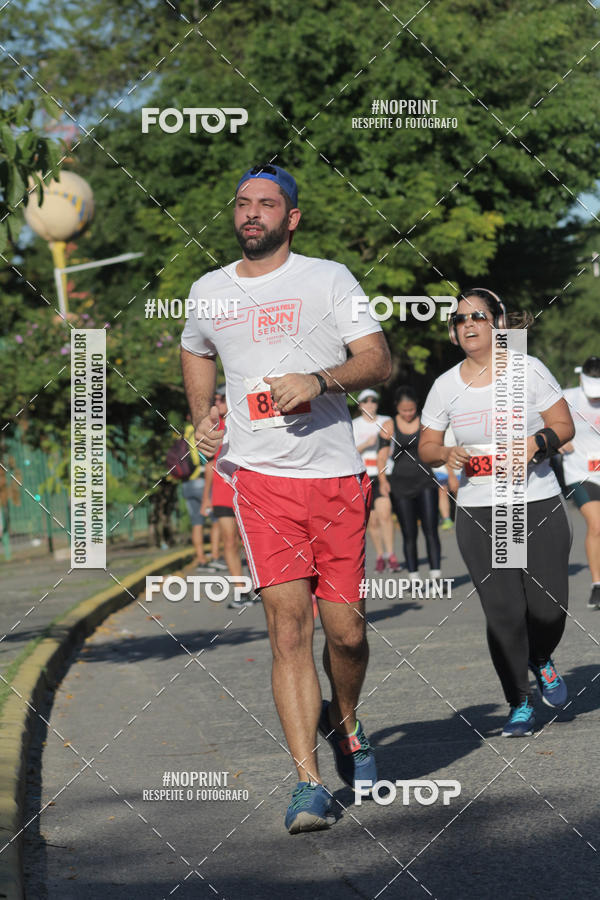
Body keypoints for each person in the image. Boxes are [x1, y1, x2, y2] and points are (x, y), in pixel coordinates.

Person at [180, 164, 391, 833]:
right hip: (260, 479)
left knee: (347, 633)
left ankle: (348, 721)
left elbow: (379, 359)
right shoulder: (209, 290)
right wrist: (202, 417)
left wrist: (321, 378)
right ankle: (308, 783)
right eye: (242, 203)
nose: (251, 214)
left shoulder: (328, 279)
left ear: (291, 217)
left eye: (266, 205)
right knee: (287, 629)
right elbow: (195, 348)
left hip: (332, 478)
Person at [419, 288, 575, 737]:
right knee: (504, 611)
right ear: (453, 332)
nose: (468, 324)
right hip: (479, 509)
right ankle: (519, 701)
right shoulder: (445, 385)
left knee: (548, 609)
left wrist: (535, 442)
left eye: (478, 317)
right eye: (460, 319)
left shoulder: (528, 370)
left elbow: (563, 425)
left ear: (498, 322)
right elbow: (427, 445)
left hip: (536, 499)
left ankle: (540, 657)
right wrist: (446, 452)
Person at [377, 386, 442, 583]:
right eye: (404, 410)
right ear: (397, 407)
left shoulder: (425, 423)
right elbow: (381, 457)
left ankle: (436, 576)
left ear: (417, 407)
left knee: (431, 529)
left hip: (425, 480)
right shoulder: (389, 425)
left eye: (411, 409)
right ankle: (414, 577)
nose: (408, 413)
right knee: (409, 532)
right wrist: (382, 481)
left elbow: (437, 448)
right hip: (400, 483)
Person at [202, 385, 255, 609]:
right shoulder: (212, 426)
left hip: (247, 490)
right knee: (230, 542)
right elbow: (210, 464)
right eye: (215, 398)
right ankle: (241, 590)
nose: (218, 402)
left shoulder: (244, 420)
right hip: (222, 494)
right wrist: (206, 497)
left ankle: (262, 585)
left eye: (222, 398)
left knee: (250, 541)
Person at [560, 357, 600, 609]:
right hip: (580, 473)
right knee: (597, 525)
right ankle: (598, 585)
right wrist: (556, 438)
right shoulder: (567, 398)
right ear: (580, 379)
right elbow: (536, 417)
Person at [352, 389, 399, 571]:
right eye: (366, 401)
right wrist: (366, 444)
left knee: (385, 514)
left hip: (382, 473)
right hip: (363, 474)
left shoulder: (385, 421)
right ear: (360, 405)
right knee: (372, 520)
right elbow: (349, 452)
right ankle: (380, 555)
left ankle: (391, 554)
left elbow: (392, 448)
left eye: (373, 401)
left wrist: (382, 449)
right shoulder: (354, 425)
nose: (370, 404)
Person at [181, 415, 211, 569]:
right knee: (217, 519)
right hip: (201, 480)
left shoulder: (184, 433)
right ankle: (217, 556)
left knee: (196, 523)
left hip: (187, 483)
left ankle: (201, 559)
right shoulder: (199, 431)